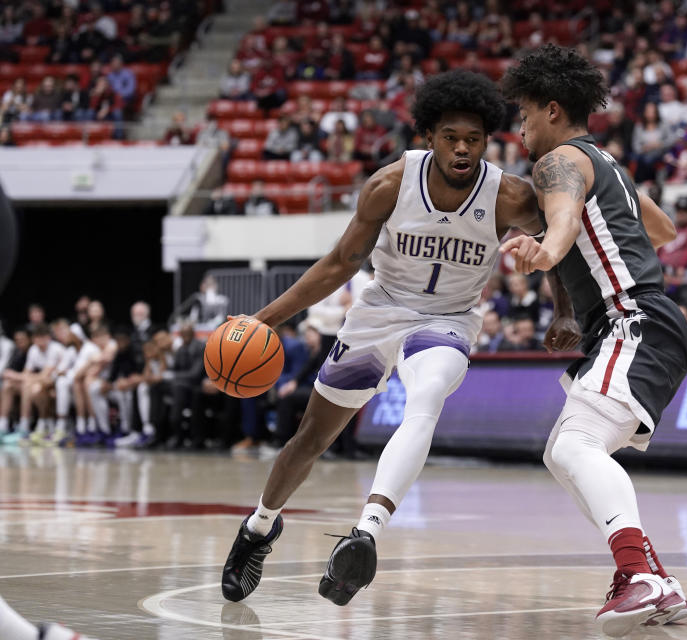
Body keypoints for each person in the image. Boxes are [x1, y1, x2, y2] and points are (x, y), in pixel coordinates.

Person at [219, 70, 580, 607]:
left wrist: (565, 310)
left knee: (426, 395)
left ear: (487, 141)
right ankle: (259, 527)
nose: (462, 148)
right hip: (379, 312)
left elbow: (558, 239)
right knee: (310, 439)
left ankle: (366, 533)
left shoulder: (506, 195)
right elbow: (341, 262)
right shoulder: (390, 184)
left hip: (449, 320)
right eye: (451, 137)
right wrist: (267, 319)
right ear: (428, 136)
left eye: (474, 140)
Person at [500, 44, 687, 634]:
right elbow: (661, 229)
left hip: (631, 317)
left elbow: (559, 226)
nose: (522, 129)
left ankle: (637, 576)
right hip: (637, 318)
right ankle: (656, 579)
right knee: (562, 452)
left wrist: (546, 251)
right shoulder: (607, 166)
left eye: (527, 115)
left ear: (553, 110)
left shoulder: (558, 161)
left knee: (577, 447)